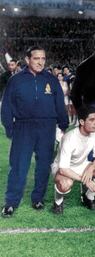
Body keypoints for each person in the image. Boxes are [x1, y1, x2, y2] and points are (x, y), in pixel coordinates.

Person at [1, 46, 68, 217]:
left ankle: (37, 198)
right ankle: (11, 202)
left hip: (47, 127)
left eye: (43, 59)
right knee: (18, 165)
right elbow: (7, 106)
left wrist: (63, 124)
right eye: (36, 58)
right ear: (27, 60)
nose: (40, 62)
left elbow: (60, 103)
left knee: (43, 165)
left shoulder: (51, 80)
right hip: (23, 127)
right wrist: (9, 128)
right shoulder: (15, 80)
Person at [51, 105, 95, 214]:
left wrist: (91, 168)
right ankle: (58, 202)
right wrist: (85, 180)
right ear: (82, 122)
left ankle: (88, 197)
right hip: (62, 167)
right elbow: (63, 169)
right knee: (65, 184)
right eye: (91, 120)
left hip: (82, 164)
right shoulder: (69, 138)